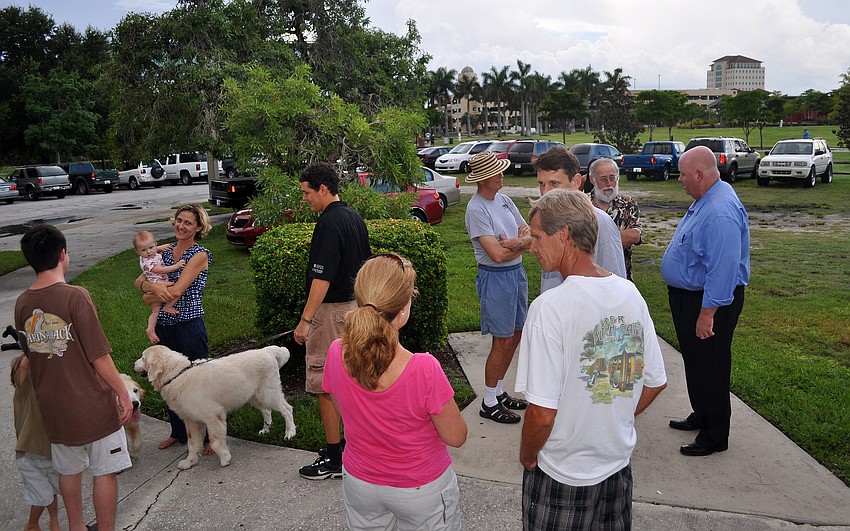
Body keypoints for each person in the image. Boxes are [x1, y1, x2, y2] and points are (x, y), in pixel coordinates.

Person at [515, 189, 667, 530]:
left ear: (564, 235)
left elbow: (541, 414)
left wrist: (527, 457)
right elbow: (655, 382)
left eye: (537, 237)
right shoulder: (630, 294)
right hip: (617, 466)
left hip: (561, 474)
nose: (532, 247)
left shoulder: (550, 308)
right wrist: (610, 417)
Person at [322, 253, 467, 530]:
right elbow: (456, 436)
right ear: (402, 310)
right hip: (420, 490)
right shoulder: (424, 368)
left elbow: (343, 410)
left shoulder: (335, 352)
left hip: (361, 483)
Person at [16, 224, 133, 531]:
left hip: (53, 409)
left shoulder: (23, 304)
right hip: (91, 404)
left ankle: (76, 527)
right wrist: (121, 392)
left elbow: (32, 355)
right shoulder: (75, 296)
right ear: (63, 254)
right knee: (103, 471)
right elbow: (98, 355)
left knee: (68, 472)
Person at [661, 145, 749, 457]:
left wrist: (707, 313)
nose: (679, 179)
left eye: (683, 174)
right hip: (691, 298)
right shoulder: (706, 198)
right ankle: (703, 414)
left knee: (711, 365)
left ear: (700, 174)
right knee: (697, 362)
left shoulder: (719, 211)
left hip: (708, 303)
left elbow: (723, 269)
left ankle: (714, 435)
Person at [294, 161, 371, 480]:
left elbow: (321, 279)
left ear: (323, 189)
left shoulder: (328, 224)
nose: (305, 198)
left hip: (332, 313)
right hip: (354, 309)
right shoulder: (352, 216)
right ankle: (352, 448)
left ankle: (335, 457)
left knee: (326, 385)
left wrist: (306, 320)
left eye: (307, 192)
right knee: (351, 381)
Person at [134, 204, 213, 452]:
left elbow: (176, 291)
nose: (181, 226)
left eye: (188, 222)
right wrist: (152, 290)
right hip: (165, 328)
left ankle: (212, 436)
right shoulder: (164, 252)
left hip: (189, 325)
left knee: (198, 381)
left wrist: (152, 293)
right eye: (178, 220)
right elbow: (139, 281)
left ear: (199, 227)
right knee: (167, 382)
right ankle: (179, 432)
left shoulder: (200, 254)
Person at [464, 150, 531, 425]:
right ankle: (489, 401)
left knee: (515, 335)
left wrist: (514, 243)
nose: (502, 174)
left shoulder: (503, 200)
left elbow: (527, 232)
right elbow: (496, 255)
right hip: (496, 278)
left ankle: (499, 390)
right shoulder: (476, 208)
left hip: (516, 275)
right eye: (496, 171)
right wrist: (520, 245)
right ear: (483, 178)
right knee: (502, 339)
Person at [532, 146, 626, 292]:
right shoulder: (546, 220)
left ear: (576, 181)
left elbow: (616, 283)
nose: (545, 193)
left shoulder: (600, 222)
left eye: (554, 184)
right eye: (542, 184)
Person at [11, 354, 61, 531]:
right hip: (29, 453)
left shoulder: (47, 388)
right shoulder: (23, 389)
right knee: (43, 495)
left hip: (50, 451)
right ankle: (32, 525)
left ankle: (53, 521)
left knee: (51, 490)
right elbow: (26, 364)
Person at [588, 158, 643, 281]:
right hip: (590, 279)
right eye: (603, 179)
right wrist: (620, 238)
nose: (608, 183)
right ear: (592, 180)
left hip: (622, 278)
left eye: (612, 178)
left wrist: (597, 242)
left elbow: (635, 236)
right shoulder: (583, 205)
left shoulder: (628, 204)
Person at [132, 230, 186, 343]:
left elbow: (151, 249)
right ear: (137, 251)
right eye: (143, 250)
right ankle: (168, 307)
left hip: (153, 284)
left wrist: (160, 248)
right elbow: (160, 270)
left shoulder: (147, 255)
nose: (148, 252)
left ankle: (150, 328)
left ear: (155, 245)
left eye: (151, 247)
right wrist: (176, 266)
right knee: (177, 287)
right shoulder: (148, 262)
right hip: (158, 283)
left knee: (155, 311)